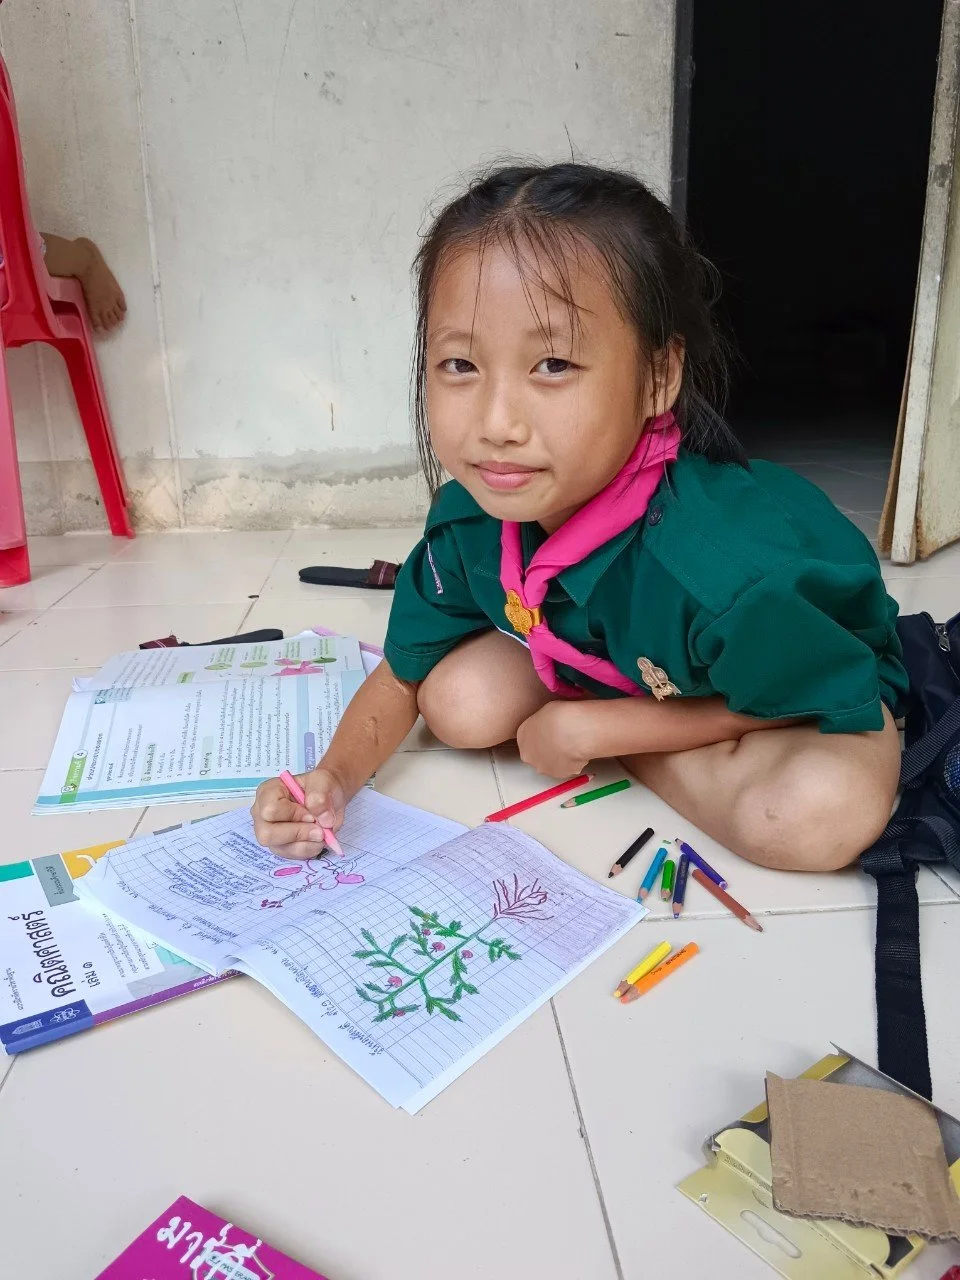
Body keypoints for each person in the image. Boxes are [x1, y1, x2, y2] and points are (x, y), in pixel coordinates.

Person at [252, 162, 905, 873]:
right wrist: (333, 779)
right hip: (635, 670)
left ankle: (627, 739)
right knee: (456, 703)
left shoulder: (724, 570)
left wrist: (599, 729)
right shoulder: (469, 521)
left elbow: (818, 689)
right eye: (460, 365)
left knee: (807, 817)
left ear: (659, 376)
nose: (497, 424)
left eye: (554, 364)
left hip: (806, 672)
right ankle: (616, 714)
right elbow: (405, 675)